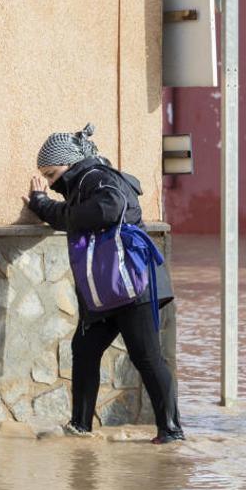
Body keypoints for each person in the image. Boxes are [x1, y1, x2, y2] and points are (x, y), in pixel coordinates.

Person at [24, 123, 184, 443]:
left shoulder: (97, 177)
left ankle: (171, 431)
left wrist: (43, 204)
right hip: (107, 292)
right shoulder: (82, 184)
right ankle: (80, 427)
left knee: (146, 356)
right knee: (84, 349)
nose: (52, 184)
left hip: (131, 285)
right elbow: (72, 216)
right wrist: (45, 204)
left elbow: (111, 207)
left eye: (53, 175)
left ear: (71, 163)